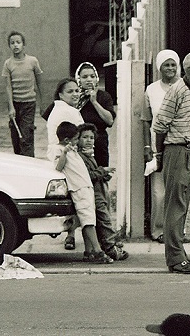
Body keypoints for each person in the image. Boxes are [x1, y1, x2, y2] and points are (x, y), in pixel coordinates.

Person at [152, 52, 190, 274]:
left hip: (187, 151)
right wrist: (159, 155)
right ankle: (175, 258)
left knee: (182, 204)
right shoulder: (178, 91)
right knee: (175, 205)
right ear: (189, 70)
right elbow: (160, 125)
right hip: (175, 151)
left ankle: (180, 253)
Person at [47, 121, 113, 263]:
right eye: (77, 138)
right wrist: (64, 152)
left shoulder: (73, 150)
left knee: (88, 219)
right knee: (88, 220)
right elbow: (58, 167)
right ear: (66, 140)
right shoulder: (57, 149)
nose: (78, 142)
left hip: (85, 187)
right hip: (79, 188)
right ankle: (98, 251)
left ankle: (89, 252)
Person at [142, 50, 181, 244]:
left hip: (181, 145)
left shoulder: (186, 87)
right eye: (166, 65)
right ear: (159, 67)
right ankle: (158, 230)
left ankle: (177, 231)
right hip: (158, 146)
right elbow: (146, 120)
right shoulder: (151, 90)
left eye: (173, 64)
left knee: (179, 190)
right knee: (159, 192)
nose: (171, 69)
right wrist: (147, 146)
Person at [43, 62, 115, 167]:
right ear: (78, 79)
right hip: (75, 148)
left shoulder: (103, 96)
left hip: (98, 145)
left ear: (97, 78)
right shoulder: (69, 99)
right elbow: (52, 120)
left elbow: (110, 121)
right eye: (85, 77)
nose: (89, 79)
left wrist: (94, 102)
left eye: (92, 76)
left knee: (100, 175)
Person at [77, 123, 129, 261]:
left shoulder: (89, 156)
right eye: (85, 137)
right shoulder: (80, 158)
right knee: (104, 220)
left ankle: (102, 247)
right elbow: (88, 176)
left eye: (91, 138)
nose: (89, 140)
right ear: (78, 139)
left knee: (104, 219)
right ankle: (110, 247)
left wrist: (104, 174)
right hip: (94, 195)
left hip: (100, 194)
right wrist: (102, 171)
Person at [46, 78, 85, 250]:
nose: (75, 94)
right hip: (67, 156)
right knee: (79, 196)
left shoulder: (57, 108)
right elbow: (81, 136)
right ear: (60, 94)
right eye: (70, 91)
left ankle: (72, 234)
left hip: (57, 155)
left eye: (77, 90)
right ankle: (75, 235)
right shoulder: (69, 112)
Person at [2, 31, 43, 157]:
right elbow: (8, 87)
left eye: (18, 42)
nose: (15, 45)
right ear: (9, 46)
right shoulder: (8, 64)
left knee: (26, 136)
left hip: (29, 104)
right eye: (12, 43)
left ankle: (30, 163)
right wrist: (11, 107)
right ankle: (19, 162)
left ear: (23, 45)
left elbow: (39, 83)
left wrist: (42, 103)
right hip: (15, 104)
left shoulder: (32, 61)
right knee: (16, 136)